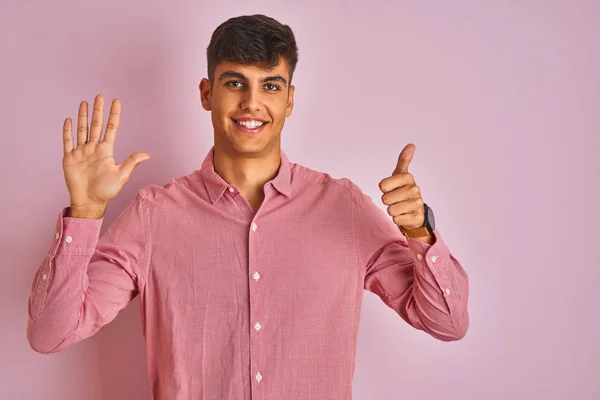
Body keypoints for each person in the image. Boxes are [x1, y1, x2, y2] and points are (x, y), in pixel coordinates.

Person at [26, 14, 469, 400]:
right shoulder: (154, 215)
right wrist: (84, 212)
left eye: (270, 85)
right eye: (234, 82)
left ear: (289, 100)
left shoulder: (344, 208)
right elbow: (51, 333)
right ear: (207, 93)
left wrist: (419, 234)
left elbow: (448, 323)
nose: (251, 103)